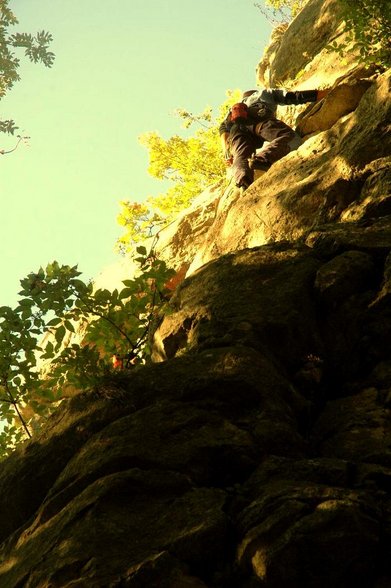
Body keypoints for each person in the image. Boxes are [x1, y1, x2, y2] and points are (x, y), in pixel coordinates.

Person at [219, 87, 330, 190]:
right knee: (290, 139)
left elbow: (223, 129)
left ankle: (243, 179)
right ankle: (261, 160)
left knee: (240, 155)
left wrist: (227, 151)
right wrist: (326, 92)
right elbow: (293, 97)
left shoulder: (232, 111)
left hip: (236, 129)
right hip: (259, 118)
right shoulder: (263, 93)